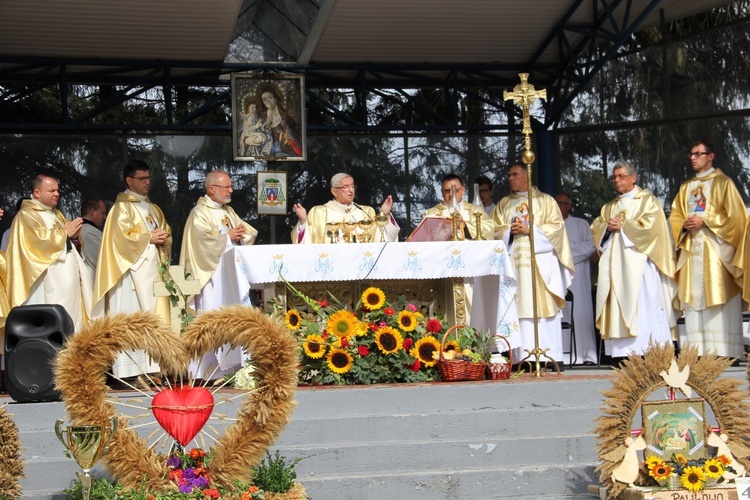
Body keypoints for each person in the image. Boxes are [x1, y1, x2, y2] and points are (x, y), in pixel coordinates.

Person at [94, 160, 172, 378]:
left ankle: (156, 368)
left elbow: (166, 232)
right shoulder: (121, 209)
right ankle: (131, 372)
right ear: (129, 181)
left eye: (149, 178)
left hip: (153, 274)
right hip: (131, 278)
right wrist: (149, 238)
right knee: (133, 316)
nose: (147, 182)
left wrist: (164, 237)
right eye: (142, 179)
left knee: (155, 318)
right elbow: (119, 241)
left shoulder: (153, 208)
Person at [670, 141, 747, 358]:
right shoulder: (686, 187)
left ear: (711, 156)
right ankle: (698, 352)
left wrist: (707, 221)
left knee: (718, 296)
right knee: (695, 301)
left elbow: (737, 218)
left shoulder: (724, 183)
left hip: (717, 254)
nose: (693, 158)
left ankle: (725, 352)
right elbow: (675, 216)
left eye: (698, 154)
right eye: (691, 154)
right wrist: (683, 225)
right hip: (692, 252)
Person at [592, 161, 677, 358]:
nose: (617, 180)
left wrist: (624, 226)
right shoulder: (609, 207)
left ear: (633, 178)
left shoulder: (647, 201)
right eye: (615, 177)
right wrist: (607, 229)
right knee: (616, 304)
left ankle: (648, 349)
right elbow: (596, 229)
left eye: (621, 176)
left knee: (643, 306)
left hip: (640, 265)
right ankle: (622, 353)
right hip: (615, 265)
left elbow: (653, 230)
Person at [492, 164, 574, 366]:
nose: (510, 178)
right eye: (509, 175)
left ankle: (549, 355)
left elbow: (557, 229)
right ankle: (522, 358)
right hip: (516, 265)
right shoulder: (503, 204)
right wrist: (509, 231)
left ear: (527, 176)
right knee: (517, 306)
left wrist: (531, 229)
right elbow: (492, 231)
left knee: (543, 306)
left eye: (515, 174)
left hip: (541, 265)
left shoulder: (546, 201)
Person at [180, 170, 258, 379]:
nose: (231, 190)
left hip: (229, 277)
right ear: (211, 189)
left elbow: (247, 231)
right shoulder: (200, 213)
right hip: (210, 278)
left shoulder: (229, 212)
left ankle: (234, 369)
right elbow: (200, 243)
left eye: (231, 186)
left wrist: (240, 235)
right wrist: (227, 237)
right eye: (226, 187)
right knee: (211, 317)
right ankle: (208, 372)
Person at [6, 174, 93, 331]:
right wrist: (64, 234)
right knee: (54, 326)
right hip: (48, 281)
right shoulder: (26, 215)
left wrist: (74, 237)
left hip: (68, 280)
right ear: (37, 193)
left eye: (58, 190)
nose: (57, 194)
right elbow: (36, 246)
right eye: (52, 190)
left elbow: (70, 241)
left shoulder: (57, 214)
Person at [292, 173, 400, 244]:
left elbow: (383, 240)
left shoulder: (366, 212)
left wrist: (384, 215)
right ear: (334, 191)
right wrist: (303, 221)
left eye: (352, 186)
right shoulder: (319, 212)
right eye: (345, 187)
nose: (351, 190)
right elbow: (305, 243)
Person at [554, 193, 598, 365]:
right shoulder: (549, 227)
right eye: (556, 203)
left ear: (569, 206)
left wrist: (563, 254)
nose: (559, 206)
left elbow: (589, 247)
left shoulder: (581, 224)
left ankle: (586, 355)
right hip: (556, 276)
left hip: (578, 277)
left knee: (580, 313)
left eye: (562, 203)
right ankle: (561, 355)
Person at [423, 174, 495, 240]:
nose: (451, 194)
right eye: (447, 191)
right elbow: (425, 237)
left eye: (455, 190)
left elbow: (490, 230)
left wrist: (465, 225)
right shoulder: (431, 213)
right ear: (442, 192)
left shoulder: (475, 210)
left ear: (463, 191)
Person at [260, 88, 302, 157]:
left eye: (270, 97)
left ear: (275, 99)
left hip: (287, 147)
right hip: (272, 148)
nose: (268, 101)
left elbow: (296, 129)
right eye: (264, 100)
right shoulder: (262, 117)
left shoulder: (285, 115)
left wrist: (288, 136)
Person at [79, 197, 107, 276]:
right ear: (92, 212)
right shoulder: (90, 232)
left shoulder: (82, 229)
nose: (105, 217)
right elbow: (104, 261)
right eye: (103, 213)